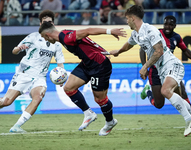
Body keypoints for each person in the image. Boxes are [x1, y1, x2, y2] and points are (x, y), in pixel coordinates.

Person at [105, 5, 191, 137]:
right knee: (170, 97)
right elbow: (129, 44)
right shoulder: (136, 34)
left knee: (167, 91)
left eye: (127, 19)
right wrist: (118, 51)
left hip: (172, 64)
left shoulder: (150, 30)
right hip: (162, 70)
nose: (127, 21)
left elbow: (159, 51)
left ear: (133, 18)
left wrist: (145, 66)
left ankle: (188, 120)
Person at [38, 22, 126, 136]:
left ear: (47, 35)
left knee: (100, 99)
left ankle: (110, 122)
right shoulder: (64, 34)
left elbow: (88, 31)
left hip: (99, 65)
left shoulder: (66, 38)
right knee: (69, 88)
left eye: (44, 37)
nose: (45, 40)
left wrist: (110, 31)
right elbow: (87, 43)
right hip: (86, 64)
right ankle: (88, 113)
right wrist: (101, 50)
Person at [0, 10, 65, 133]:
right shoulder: (33, 37)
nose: (47, 24)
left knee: (38, 96)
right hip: (24, 74)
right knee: (6, 102)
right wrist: (19, 48)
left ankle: (16, 127)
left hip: (40, 77)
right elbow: (14, 51)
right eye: (44, 22)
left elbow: (60, 63)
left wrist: (62, 77)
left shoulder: (56, 43)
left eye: (49, 22)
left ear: (53, 23)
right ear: (40, 24)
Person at [140, 15, 191, 109]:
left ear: (175, 26)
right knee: (158, 104)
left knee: (182, 92)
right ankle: (148, 91)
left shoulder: (177, 37)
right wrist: (144, 67)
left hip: (170, 69)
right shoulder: (155, 33)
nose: (167, 27)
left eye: (170, 25)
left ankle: (189, 115)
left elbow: (186, 51)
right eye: (165, 24)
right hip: (155, 71)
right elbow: (142, 50)